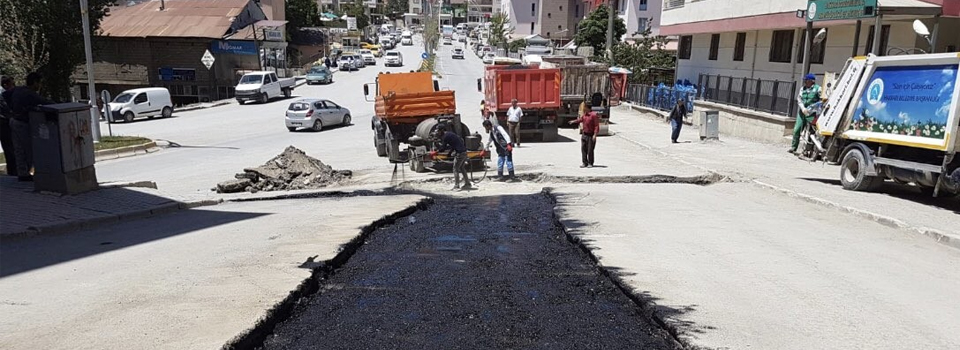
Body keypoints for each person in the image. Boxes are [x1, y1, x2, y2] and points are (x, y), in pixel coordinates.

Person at [9, 72, 53, 182]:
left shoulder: (18, 90)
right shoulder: (30, 94)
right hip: (23, 124)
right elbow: (45, 102)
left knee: (18, 149)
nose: (40, 86)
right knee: (28, 149)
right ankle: (28, 173)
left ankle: (22, 173)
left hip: (14, 121)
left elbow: (5, 96)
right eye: (39, 83)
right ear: (34, 82)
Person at [434, 124, 472, 190]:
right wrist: (449, 153)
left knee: (455, 169)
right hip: (464, 152)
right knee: (462, 168)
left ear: (442, 130)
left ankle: (457, 186)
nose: (437, 132)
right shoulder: (449, 134)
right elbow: (453, 145)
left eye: (438, 131)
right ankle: (467, 183)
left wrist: (436, 152)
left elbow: (443, 148)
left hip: (460, 154)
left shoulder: (445, 137)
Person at [790, 73, 821, 154]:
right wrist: (803, 108)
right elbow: (799, 99)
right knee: (797, 129)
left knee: (811, 132)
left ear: (811, 81)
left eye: (806, 80)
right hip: (802, 112)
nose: (805, 81)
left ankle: (808, 150)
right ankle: (793, 147)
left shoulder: (818, 89)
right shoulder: (802, 89)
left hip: (812, 114)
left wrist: (814, 108)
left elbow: (821, 101)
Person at [569, 103, 601, 168]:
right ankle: (584, 163)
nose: (583, 109)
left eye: (585, 107)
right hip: (584, 134)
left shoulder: (594, 115)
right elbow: (580, 120)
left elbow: (596, 126)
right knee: (583, 149)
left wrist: (595, 135)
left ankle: (590, 163)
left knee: (590, 150)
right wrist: (573, 121)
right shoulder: (585, 115)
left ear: (588, 108)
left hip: (590, 135)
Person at [0, 76, 17, 176]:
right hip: (4, 123)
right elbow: (7, 110)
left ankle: (13, 170)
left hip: (6, 122)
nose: (13, 87)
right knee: (10, 149)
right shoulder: (3, 95)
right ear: (5, 85)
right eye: (12, 84)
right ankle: (13, 171)